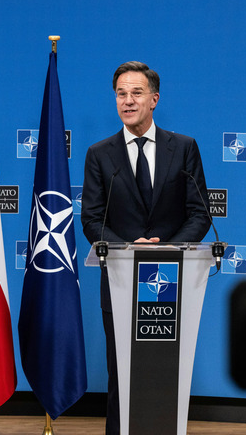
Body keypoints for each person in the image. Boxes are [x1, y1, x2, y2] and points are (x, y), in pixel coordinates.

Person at [80, 61, 211, 434]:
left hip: (170, 280)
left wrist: (164, 252)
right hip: (121, 281)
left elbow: (200, 214)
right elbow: (91, 219)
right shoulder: (100, 154)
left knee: (164, 370)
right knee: (121, 372)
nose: (128, 101)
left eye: (136, 93)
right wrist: (126, 248)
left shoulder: (183, 148)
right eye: (121, 94)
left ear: (154, 99)